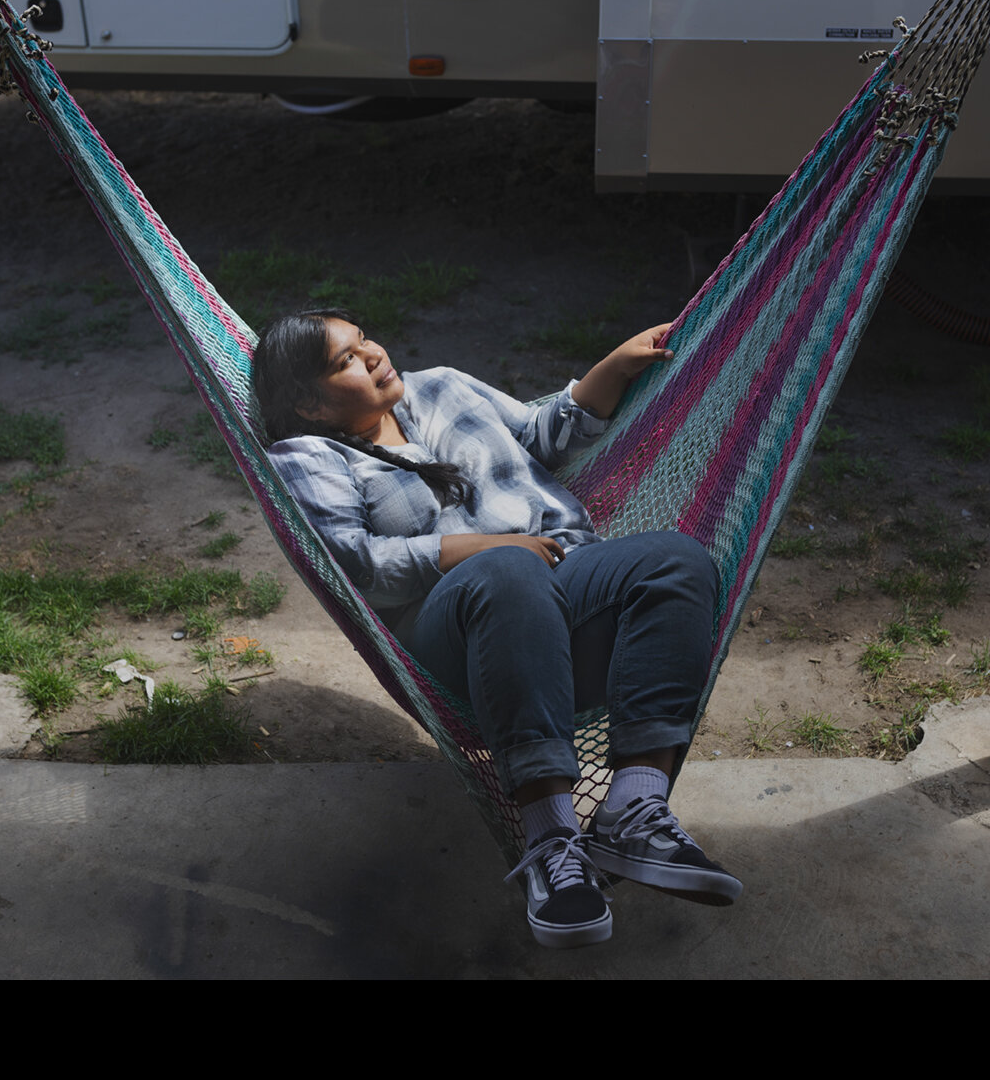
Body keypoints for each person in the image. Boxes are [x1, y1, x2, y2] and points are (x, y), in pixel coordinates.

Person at [252, 308, 743, 949]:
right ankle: (550, 842)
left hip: (565, 584)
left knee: (677, 561)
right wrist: (486, 547)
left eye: (364, 339)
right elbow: (358, 566)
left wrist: (614, 367)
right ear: (309, 406)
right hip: (455, 641)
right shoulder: (307, 455)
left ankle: (635, 808)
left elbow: (541, 433)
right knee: (507, 569)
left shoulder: (444, 386)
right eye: (346, 359)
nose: (373, 354)